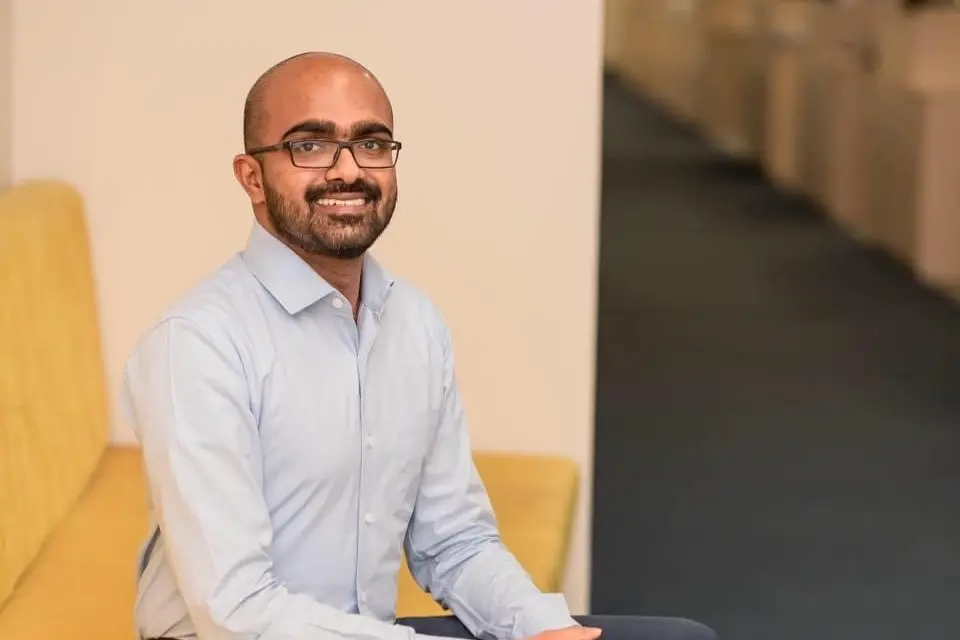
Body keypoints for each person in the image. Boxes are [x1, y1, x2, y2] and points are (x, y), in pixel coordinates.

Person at [122, 51, 718, 640]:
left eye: (372, 143)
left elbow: (455, 541)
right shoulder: (198, 346)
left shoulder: (413, 324)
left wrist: (544, 630)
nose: (347, 170)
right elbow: (238, 613)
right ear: (252, 177)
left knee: (680, 639)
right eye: (310, 144)